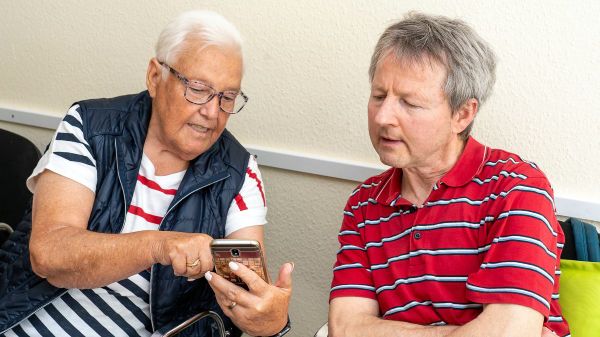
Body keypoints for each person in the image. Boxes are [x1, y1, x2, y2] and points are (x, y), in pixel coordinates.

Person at [0, 10, 292, 337]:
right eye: (198, 89)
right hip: (29, 321)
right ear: (155, 76)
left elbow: (247, 295)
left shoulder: (239, 173)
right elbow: (49, 254)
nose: (212, 112)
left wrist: (269, 319)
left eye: (227, 97)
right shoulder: (90, 126)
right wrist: (157, 246)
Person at [328, 12, 569, 337]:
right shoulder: (364, 203)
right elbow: (344, 329)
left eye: (410, 103)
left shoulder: (517, 188)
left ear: (463, 114)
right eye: (379, 96)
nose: (383, 117)